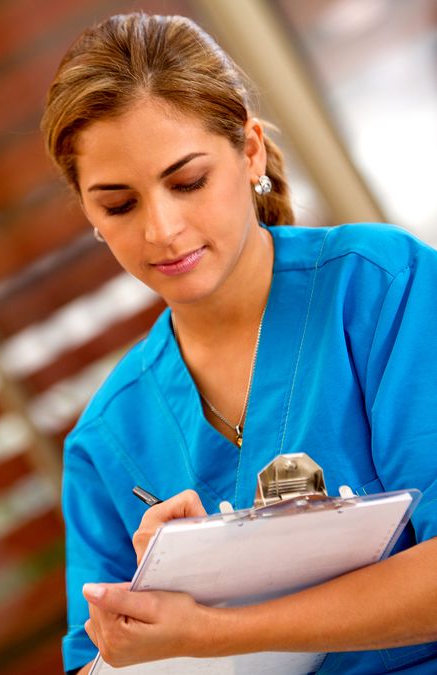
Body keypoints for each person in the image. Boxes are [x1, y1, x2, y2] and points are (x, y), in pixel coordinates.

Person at [41, 11, 437, 675]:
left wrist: (213, 629)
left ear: (249, 151)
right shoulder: (108, 441)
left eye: (187, 181)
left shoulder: (380, 289)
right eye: (118, 204)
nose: (162, 229)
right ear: (89, 214)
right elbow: (99, 659)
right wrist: (150, 612)